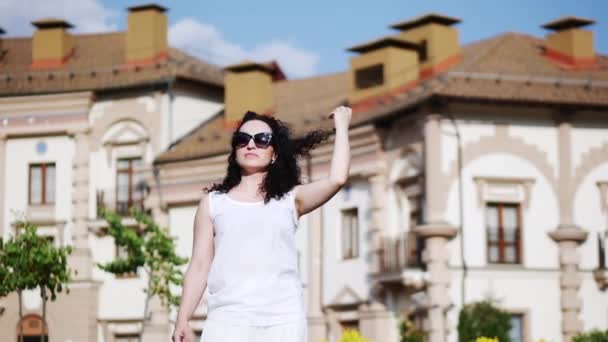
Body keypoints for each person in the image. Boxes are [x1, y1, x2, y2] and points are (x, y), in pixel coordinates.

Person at [172, 106, 352, 342]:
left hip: (283, 321)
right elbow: (199, 266)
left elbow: (337, 178)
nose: (251, 145)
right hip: (227, 320)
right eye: (243, 139)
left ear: (274, 154)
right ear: (235, 150)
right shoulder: (213, 203)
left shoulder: (290, 200)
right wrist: (183, 318)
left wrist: (342, 127)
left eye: (262, 140)